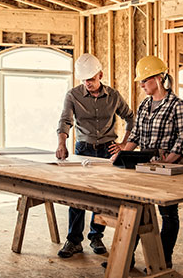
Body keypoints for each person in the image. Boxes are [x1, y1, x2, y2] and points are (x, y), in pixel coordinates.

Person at [113, 55, 183, 269]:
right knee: (136, 211)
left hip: (170, 167)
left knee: (168, 213)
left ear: (159, 78)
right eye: (140, 82)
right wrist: (122, 156)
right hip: (147, 167)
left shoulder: (178, 106)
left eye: (145, 81)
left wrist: (167, 162)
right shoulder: (144, 105)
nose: (141, 85)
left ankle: (163, 260)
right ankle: (126, 260)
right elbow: (136, 136)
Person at [56, 53, 135, 259]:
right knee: (77, 197)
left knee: (101, 197)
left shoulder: (114, 96)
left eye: (91, 79)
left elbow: (130, 118)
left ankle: (96, 236)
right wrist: (62, 143)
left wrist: (124, 145)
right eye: (84, 80)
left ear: (100, 75)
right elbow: (65, 121)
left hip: (108, 150)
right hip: (83, 150)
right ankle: (73, 241)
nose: (87, 84)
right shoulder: (72, 95)